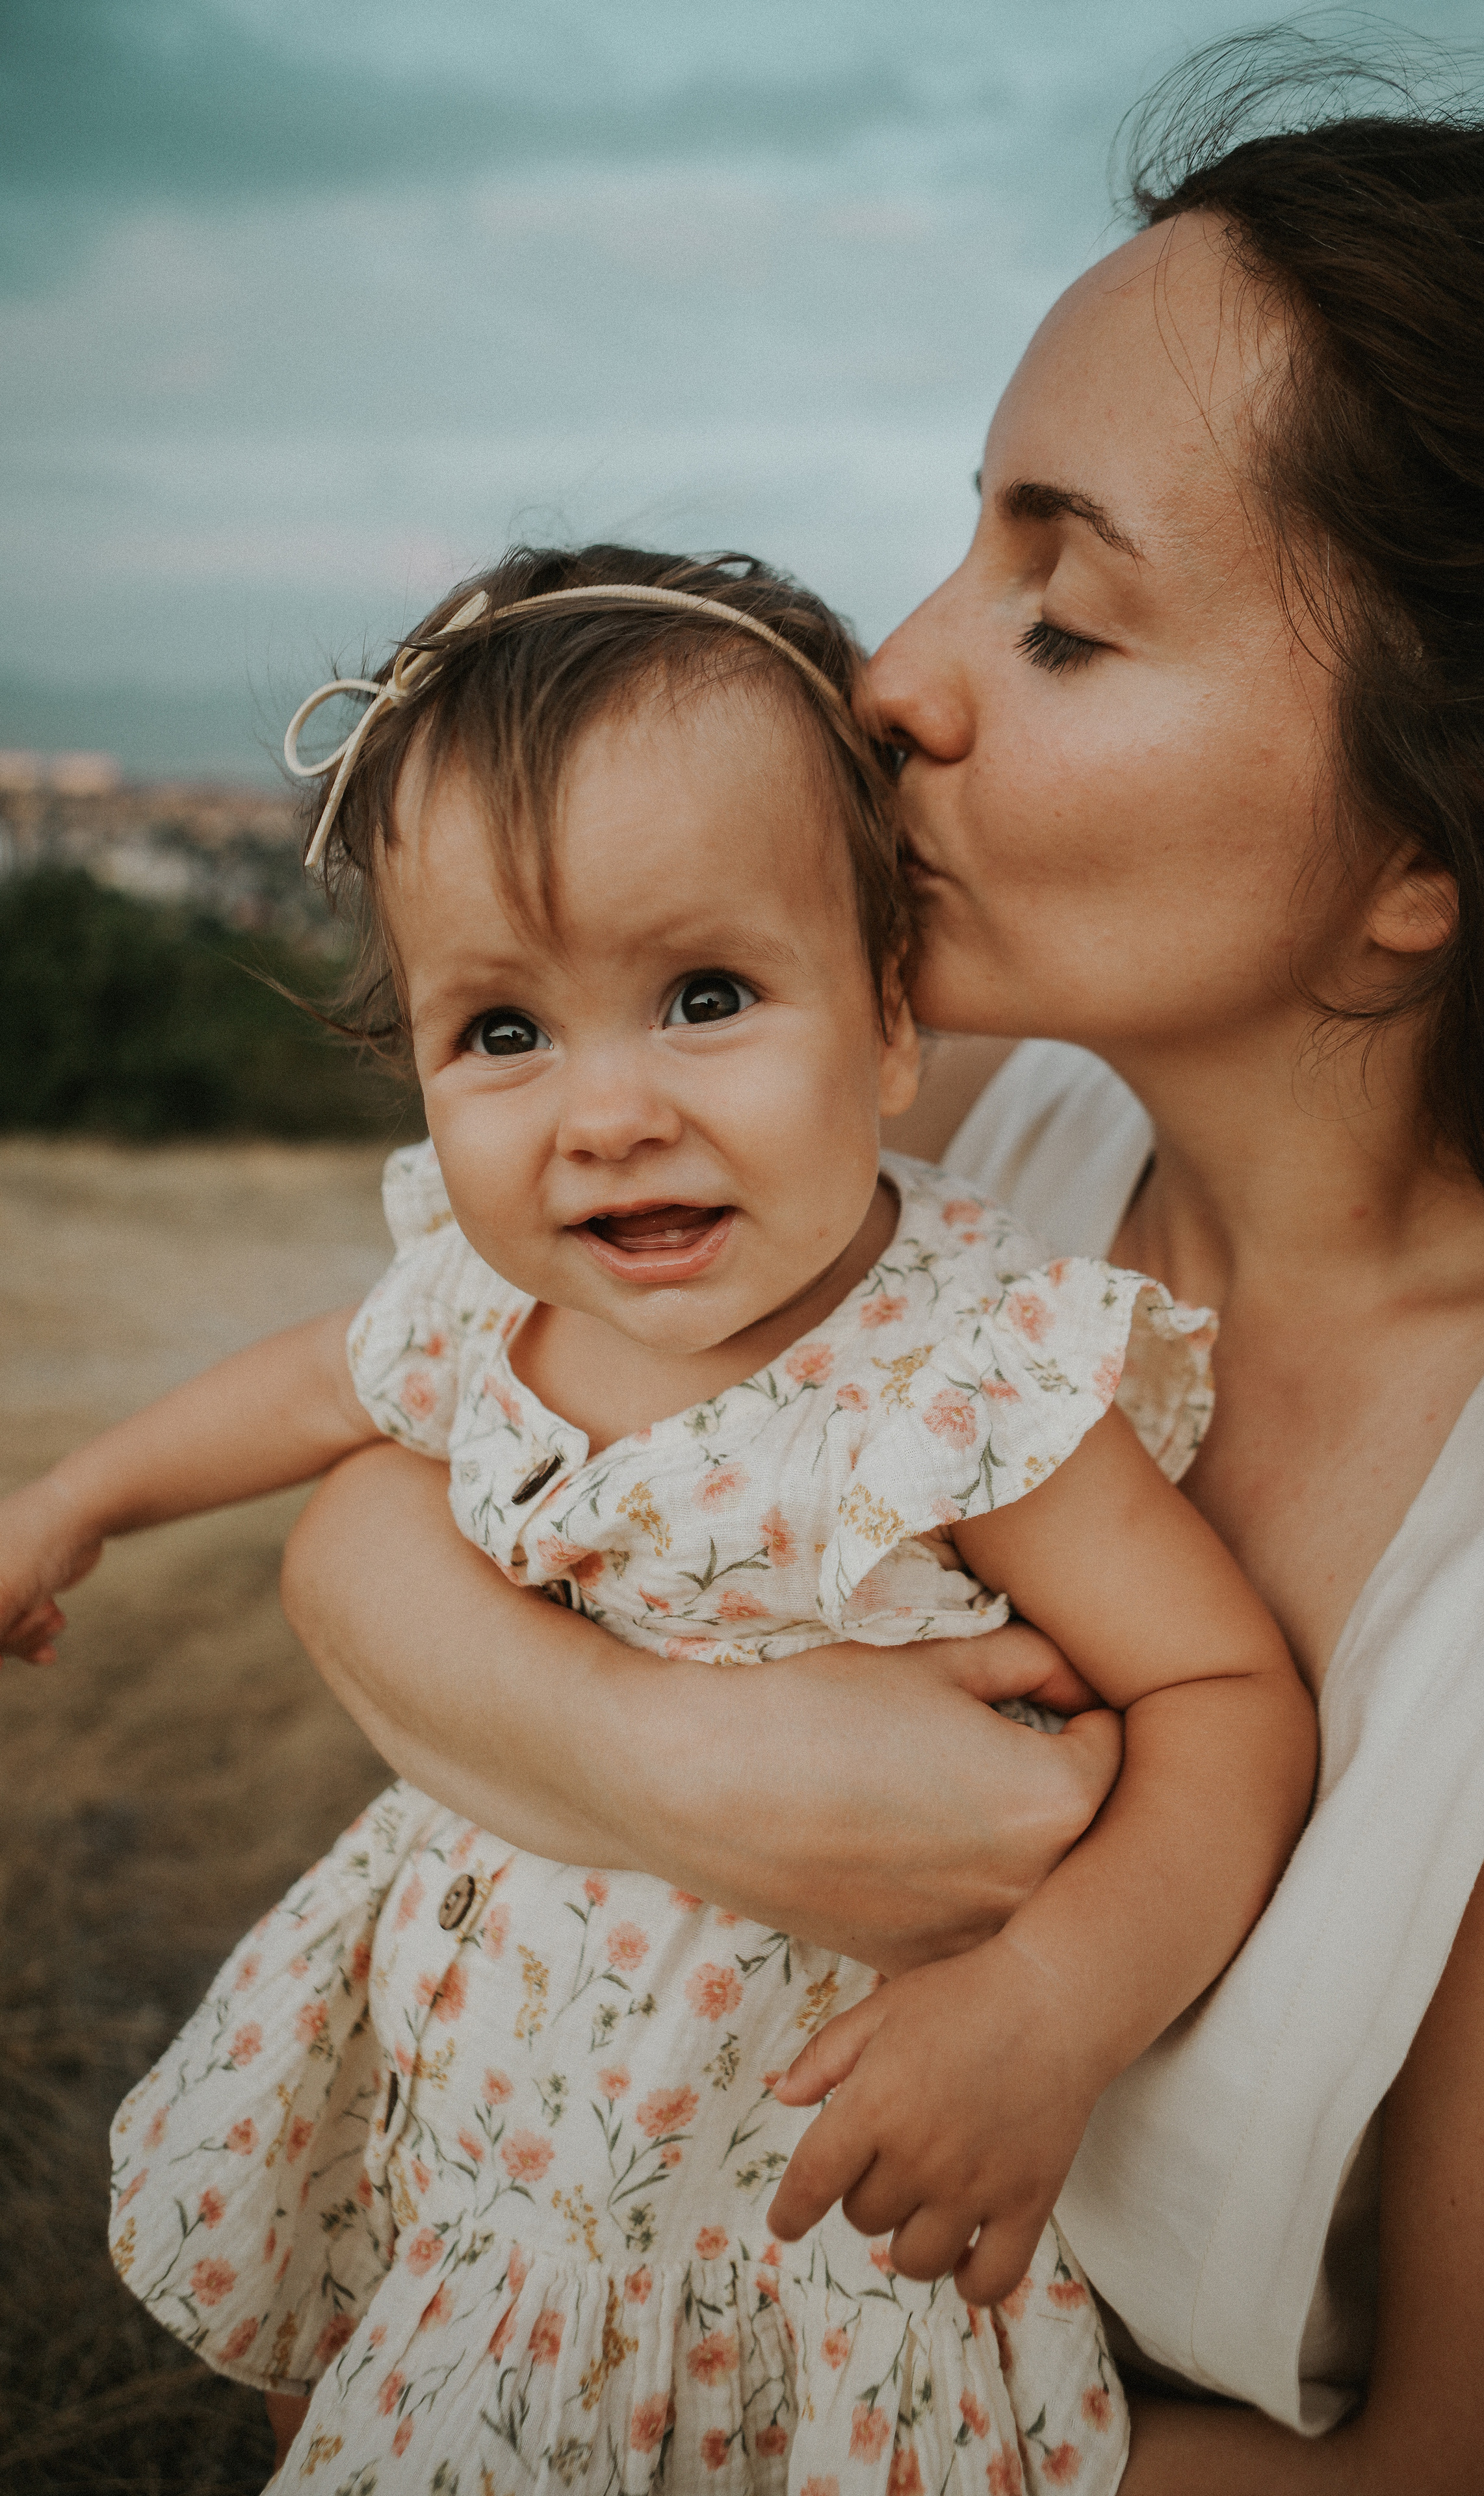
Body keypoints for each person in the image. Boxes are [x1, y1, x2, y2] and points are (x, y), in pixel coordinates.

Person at [268, 74, 1484, 2494]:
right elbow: (386, 1496)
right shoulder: (961, 1148)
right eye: (958, 549)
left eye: (1066, 619)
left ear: (1440, 856)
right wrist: (682, 1769)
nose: (896, 678)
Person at [0, 545, 1314, 2490]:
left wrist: (1051, 2004)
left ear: (889, 1025)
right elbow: (312, 1386)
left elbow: (1225, 1697)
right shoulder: (493, 1300)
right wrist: (75, 1501)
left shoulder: (953, 1377)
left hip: (752, 2208)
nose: (604, 1113)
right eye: (502, 1033)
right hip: (457, 2094)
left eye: (705, 997)